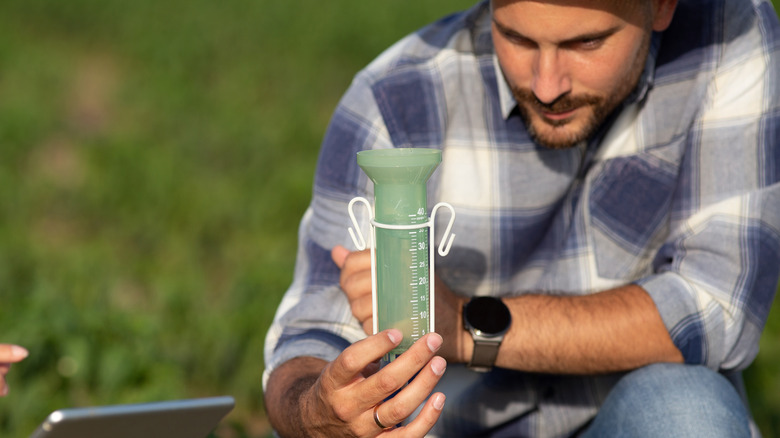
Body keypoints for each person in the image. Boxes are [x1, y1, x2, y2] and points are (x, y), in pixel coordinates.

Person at [263, 0, 780, 436]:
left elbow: (716, 308)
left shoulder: (727, 38)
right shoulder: (396, 100)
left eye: (586, 44)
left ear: (662, 5)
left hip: (638, 412)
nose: (548, 85)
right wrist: (318, 410)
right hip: (449, 427)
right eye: (516, 38)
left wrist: (465, 326)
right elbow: (310, 338)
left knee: (686, 413)